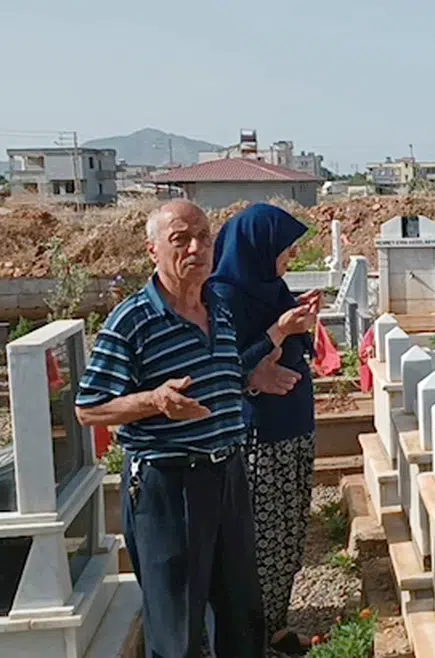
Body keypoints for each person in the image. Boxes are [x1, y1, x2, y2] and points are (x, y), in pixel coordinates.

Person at [74, 200, 300, 658]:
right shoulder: (132, 321)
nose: (196, 248)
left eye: (205, 237)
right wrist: (154, 400)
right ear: (153, 250)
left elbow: (223, 374)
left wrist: (256, 368)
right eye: (181, 239)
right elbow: (89, 408)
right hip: (169, 484)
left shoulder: (218, 305)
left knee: (241, 614)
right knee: (177, 626)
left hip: (228, 475)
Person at [208, 203, 321, 655]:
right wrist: (277, 332)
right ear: (257, 249)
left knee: (289, 532)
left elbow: (292, 344)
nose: (290, 259)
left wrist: (301, 321)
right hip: (261, 435)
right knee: (262, 540)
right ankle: (251, 633)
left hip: (293, 426)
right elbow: (224, 368)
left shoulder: (271, 288)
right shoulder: (223, 296)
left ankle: (275, 624)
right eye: (285, 250)